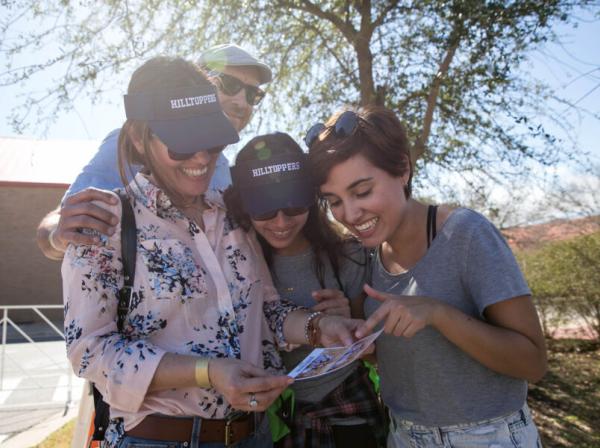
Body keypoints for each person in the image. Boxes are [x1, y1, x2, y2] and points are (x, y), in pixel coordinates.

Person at [62, 56, 360, 448]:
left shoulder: (233, 215)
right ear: (139, 137)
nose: (201, 158)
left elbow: (266, 311)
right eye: (182, 146)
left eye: (209, 140)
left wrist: (318, 327)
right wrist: (208, 372)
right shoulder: (108, 224)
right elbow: (90, 351)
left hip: (254, 436)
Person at [305, 106, 548, 447]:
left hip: (489, 436)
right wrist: (354, 334)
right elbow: (405, 357)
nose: (350, 213)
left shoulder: (465, 235)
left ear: (403, 168)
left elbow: (533, 362)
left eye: (361, 192)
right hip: (403, 435)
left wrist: (437, 313)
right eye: (334, 201)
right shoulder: (367, 255)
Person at [224, 133, 387, 447]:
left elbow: (376, 351)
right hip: (273, 423)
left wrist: (349, 323)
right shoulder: (237, 263)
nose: (281, 222)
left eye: (294, 205)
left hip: (348, 415)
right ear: (245, 208)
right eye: (264, 211)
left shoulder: (348, 256)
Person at [37, 43, 271, 260]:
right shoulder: (130, 145)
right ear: (200, 84)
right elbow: (61, 222)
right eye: (229, 85)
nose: (242, 102)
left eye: (253, 94)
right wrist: (57, 236)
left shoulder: (224, 167)